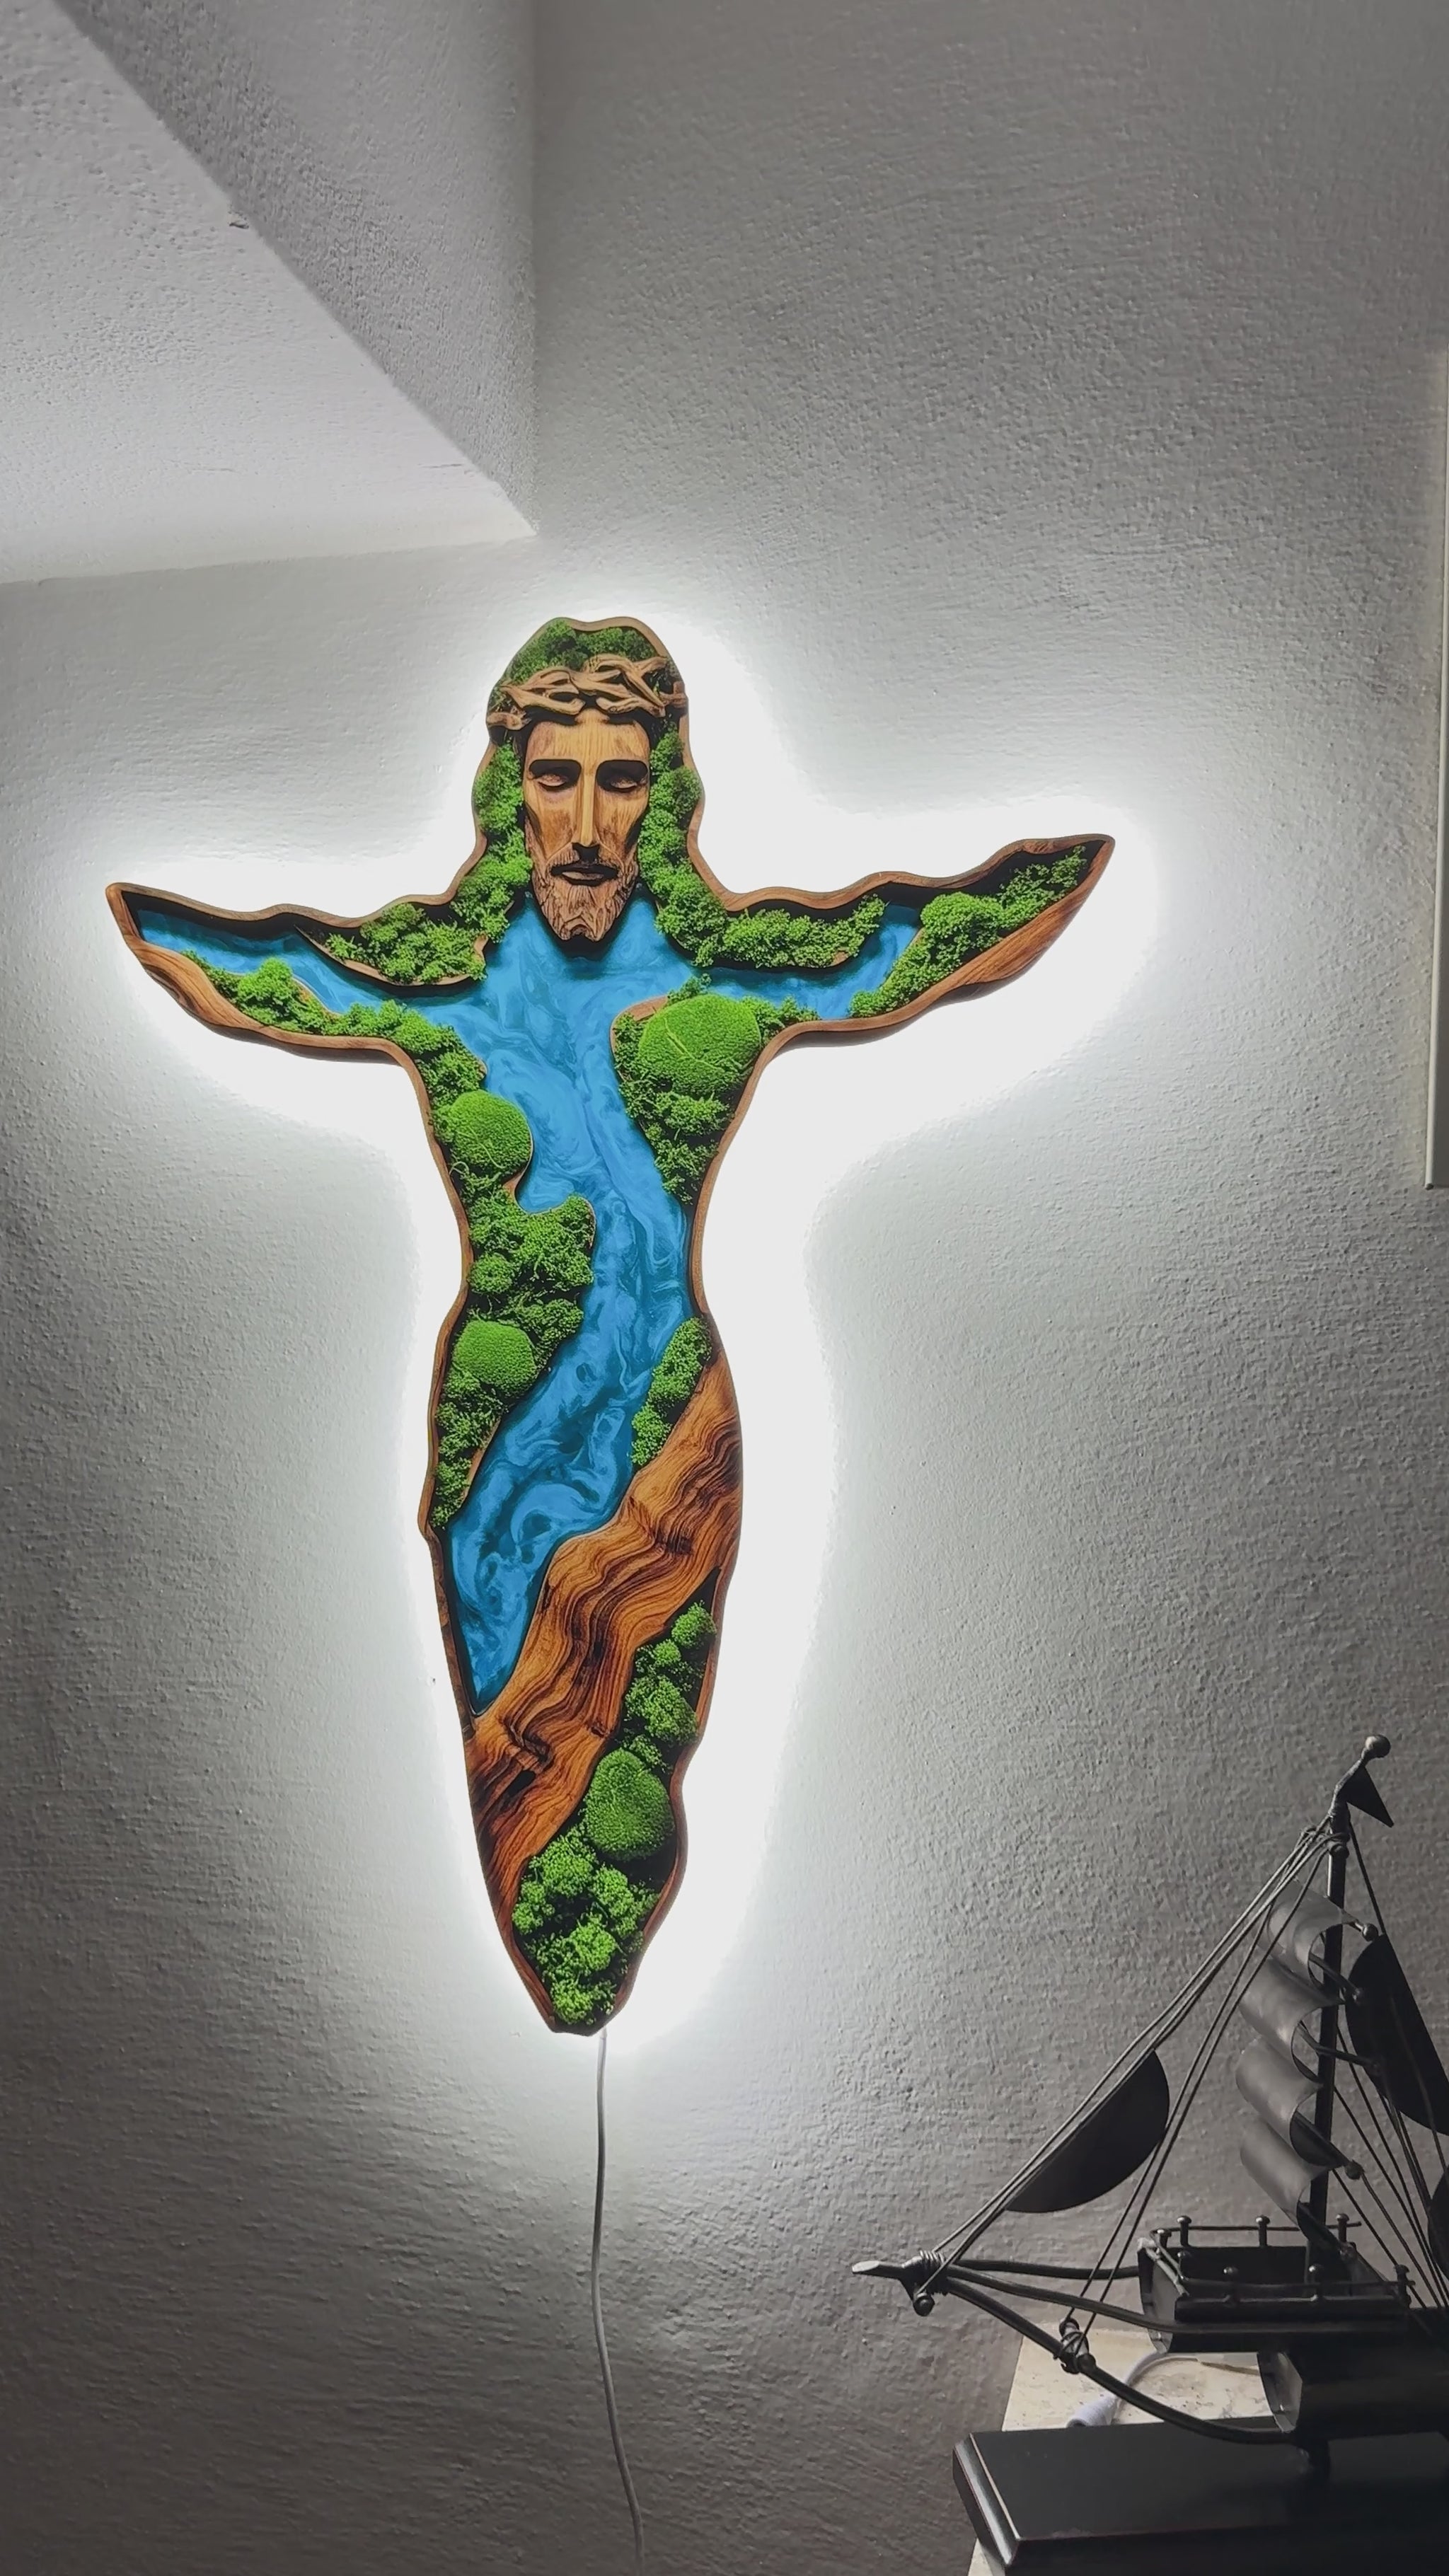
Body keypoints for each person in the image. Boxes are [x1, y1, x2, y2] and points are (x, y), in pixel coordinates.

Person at [110, 618, 1109, 2031]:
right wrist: (144, 923)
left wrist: (1044, 885)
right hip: (495, 1449)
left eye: (622, 780)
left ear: (667, 793)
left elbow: (904, 942)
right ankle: (556, 1982)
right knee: (516, 1764)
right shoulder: (442, 983)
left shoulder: (726, 980)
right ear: (508, 791)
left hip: (674, 1439)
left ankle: (594, 1990)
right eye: (556, 777)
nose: (586, 826)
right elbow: (267, 966)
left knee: (637, 1740)